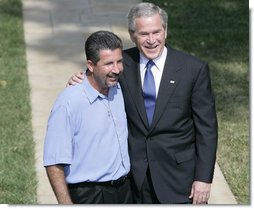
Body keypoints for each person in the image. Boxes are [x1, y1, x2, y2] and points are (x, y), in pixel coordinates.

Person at [68, 2, 218, 204]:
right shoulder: (122, 64)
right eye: (144, 34)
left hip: (180, 180)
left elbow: (207, 129)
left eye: (156, 32)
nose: (151, 40)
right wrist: (81, 79)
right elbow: (98, 74)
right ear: (132, 35)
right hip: (135, 181)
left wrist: (203, 179)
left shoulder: (193, 69)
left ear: (165, 31)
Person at [43, 31, 132, 204]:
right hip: (89, 196)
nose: (116, 69)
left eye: (119, 61)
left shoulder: (120, 88)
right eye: (108, 64)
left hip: (125, 191)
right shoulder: (68, 103)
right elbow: (54, 162)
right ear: (91, 65)